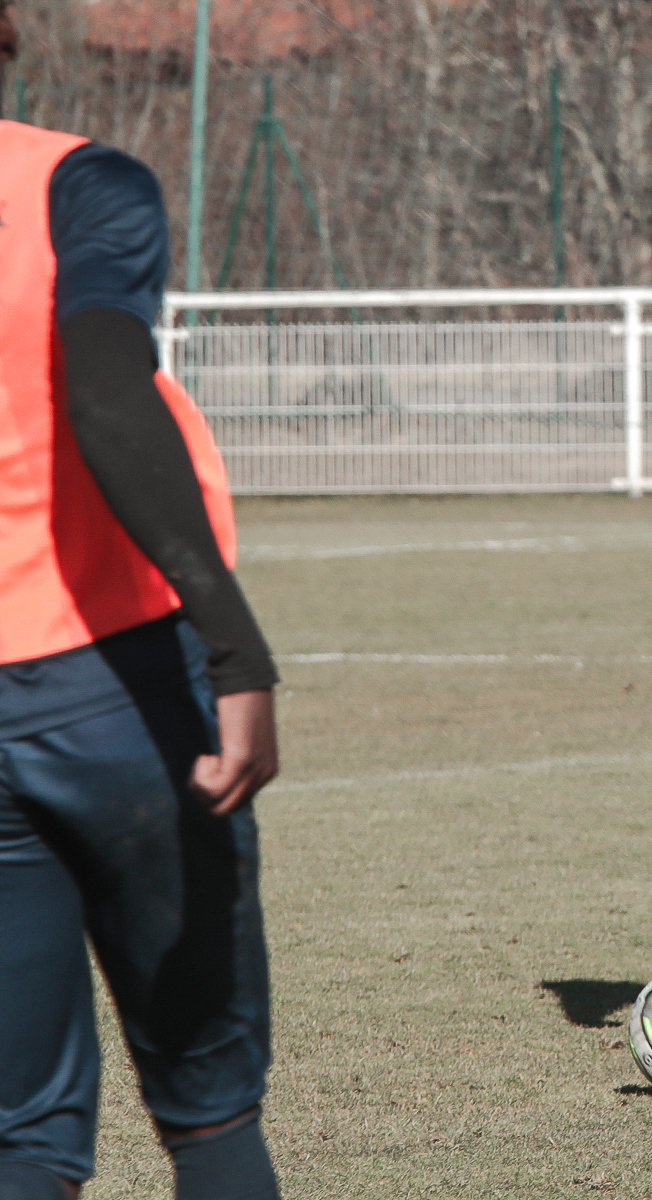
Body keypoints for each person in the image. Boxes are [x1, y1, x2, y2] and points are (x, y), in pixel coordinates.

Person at [0, 4, 282, 1196]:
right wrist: (239, 654)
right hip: (111, 682)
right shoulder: (75, 184)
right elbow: (107, 399)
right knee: (209, 1111)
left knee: (23, 1134)